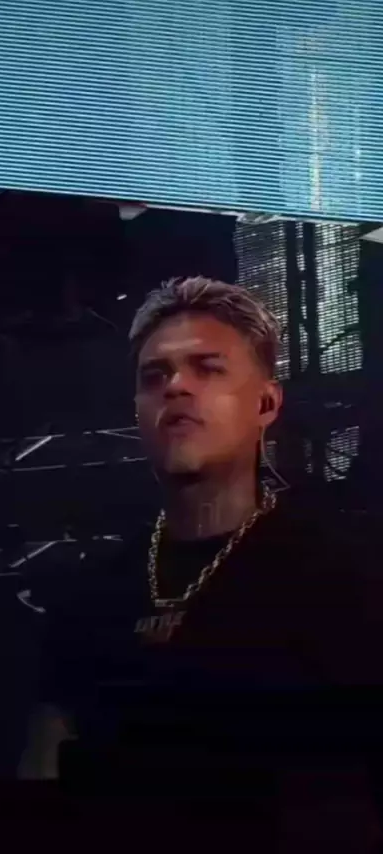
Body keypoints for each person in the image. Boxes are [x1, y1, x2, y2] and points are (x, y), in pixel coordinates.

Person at [19, 277, 383, 851]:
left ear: (266, 403)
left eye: (207, 368)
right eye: (154, 376)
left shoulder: (350, 575)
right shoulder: (90, 598)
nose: (175, 387)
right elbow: (40, 786)